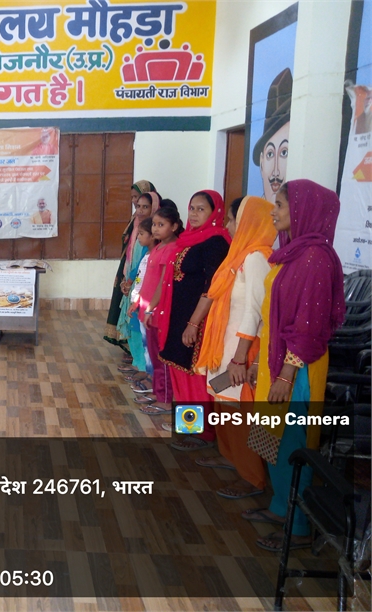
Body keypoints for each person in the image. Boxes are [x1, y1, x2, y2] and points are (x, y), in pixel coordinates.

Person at [242, 180, 345, 552]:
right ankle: (280, 507)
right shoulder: (293, 252)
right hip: (277, 360)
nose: (274, 212)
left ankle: (299, 526)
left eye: (281, 205)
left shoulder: (315, 258)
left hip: (297, 368)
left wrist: (286, 373)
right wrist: (263, 364)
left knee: (292, 441)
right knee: (274, 436)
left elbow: (308, 326)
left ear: (305, 211)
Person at [194, 196, 276, 498]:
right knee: (223, 405)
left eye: (232, 219)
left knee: (238, 412)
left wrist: (242, 358)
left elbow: (256, 313)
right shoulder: (238, 257)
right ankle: (229, 458)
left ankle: (251, 477)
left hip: (239, 353)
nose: (227, 225)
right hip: (224, 348)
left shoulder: (256, 259)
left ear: (247, 222)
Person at [155, 191, 231, 450]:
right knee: (179, 371)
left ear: (215, 213)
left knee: (194, 376)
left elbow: (212, 287)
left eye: (201, 209)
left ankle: (202, 433)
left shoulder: (216, 242)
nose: (195, 214)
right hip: (179, 316)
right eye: (192, 208)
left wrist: (194, 323)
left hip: (197, 320)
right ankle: (188, 426)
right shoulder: (188, 239)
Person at [137, 206, 182, 414]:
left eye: (161, 225)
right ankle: (158, 391)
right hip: (149, 309)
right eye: (154, 224)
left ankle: (165, 399)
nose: (155, 229)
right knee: (154, 355)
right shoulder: (158, 247)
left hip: (157, 311)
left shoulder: (171, 249)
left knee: (161, 358)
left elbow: (163, 284)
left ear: (174, 226)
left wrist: (150, 309)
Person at [105, 180, 156, 349]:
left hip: (143, 281)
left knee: (140, 322)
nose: (137, 207)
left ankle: (141, 358)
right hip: (131, 274)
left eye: (144, 206)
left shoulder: (154, 234)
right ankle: (133, 352)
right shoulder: (135, 223)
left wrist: (131, 279)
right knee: (131, 315)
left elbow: (144, 261)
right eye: (134, 200)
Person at [117, 191, 160, 386]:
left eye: (145, 207)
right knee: (135, 331)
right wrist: (128, 282)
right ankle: (138, 364)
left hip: (146, 301)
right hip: (137, 297)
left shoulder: (156, 253)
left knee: (145, 337)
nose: (140, 210)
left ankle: (145, 369)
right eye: (138, 206)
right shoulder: (135, 230)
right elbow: (136, 268)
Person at [125, 216, 158, 383]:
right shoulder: (146, 255)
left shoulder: (155, 255)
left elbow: (150, 283)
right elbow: (140, 279)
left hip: (147, 305)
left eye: (141, 234)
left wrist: (138, 301)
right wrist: (135, 300)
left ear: (152, 236)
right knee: (139, 336)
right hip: (139, 302)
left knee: (147, 341)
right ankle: (142, 367)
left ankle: (147, 372)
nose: (138, 237)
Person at [253, 68, 291, 203]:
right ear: (261, 162)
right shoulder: (252, 213)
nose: (276, 172)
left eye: (284, 153)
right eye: (270, 154)